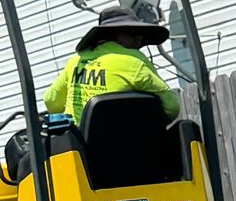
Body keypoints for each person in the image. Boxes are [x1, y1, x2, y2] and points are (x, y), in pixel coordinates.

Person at [43, 7, 180, 123]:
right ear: (111, 33)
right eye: (132, 33)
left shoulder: (75, 62)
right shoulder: (134, 62)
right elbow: (172, 107)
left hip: (80, 150)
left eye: (140, 34)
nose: (139, 38)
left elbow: (51, 101)